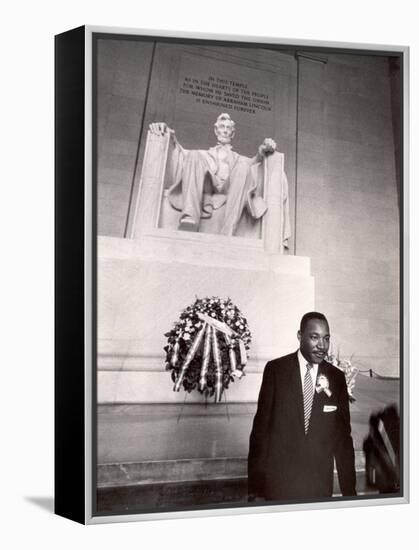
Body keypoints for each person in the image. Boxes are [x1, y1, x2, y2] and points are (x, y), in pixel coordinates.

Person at [248, 311, 357, 502]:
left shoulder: (337, 378)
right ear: (300, 336)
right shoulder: (276, 371)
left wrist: (350, 492)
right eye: (314, 337)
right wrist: (256, 489)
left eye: (326, 338)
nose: (322, 345)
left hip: (319, 486)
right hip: (279, 485)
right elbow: (260, 432)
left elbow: (343, 440)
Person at [149, 113, 290, 244]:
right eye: (222, 127)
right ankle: (190, 218)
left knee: (243, 167)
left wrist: (263, 149)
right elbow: (179, 154)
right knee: (193, 155)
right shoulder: (203, 155)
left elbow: (254, 163)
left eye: (228, 128)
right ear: (216, 130)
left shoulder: (239, 159)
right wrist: (168, 133)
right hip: (208, 184)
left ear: (232, 133)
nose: (225, 130)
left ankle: (227, 230)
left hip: (230, 187)